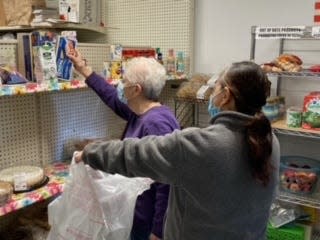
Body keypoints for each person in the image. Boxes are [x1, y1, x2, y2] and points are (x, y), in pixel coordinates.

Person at [74, 61, 280, 240]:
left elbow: (136, 154)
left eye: (215, 88)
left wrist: (91, 153)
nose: (211, 94)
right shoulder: (268, 140)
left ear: (225, 96)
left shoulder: (202, 145)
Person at [67, 49, 180, 240]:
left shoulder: (156, 124)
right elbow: (111, 96)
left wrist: (158, 232)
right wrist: (84, 70)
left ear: (136, 90)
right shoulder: (140, 113)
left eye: (124, 81)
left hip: (148, 226)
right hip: (136, 218)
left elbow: (167, 183)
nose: (120, 85)